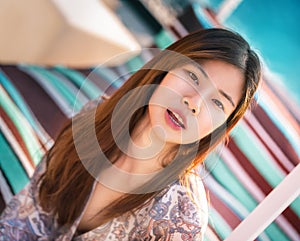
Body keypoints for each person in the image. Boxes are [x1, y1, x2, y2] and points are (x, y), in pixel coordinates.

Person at [0, 28, 261, 240]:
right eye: (193, 76)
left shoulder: (181, 219)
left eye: (218, 103)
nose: (194, 103)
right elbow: (30, 212)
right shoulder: (95, 118)